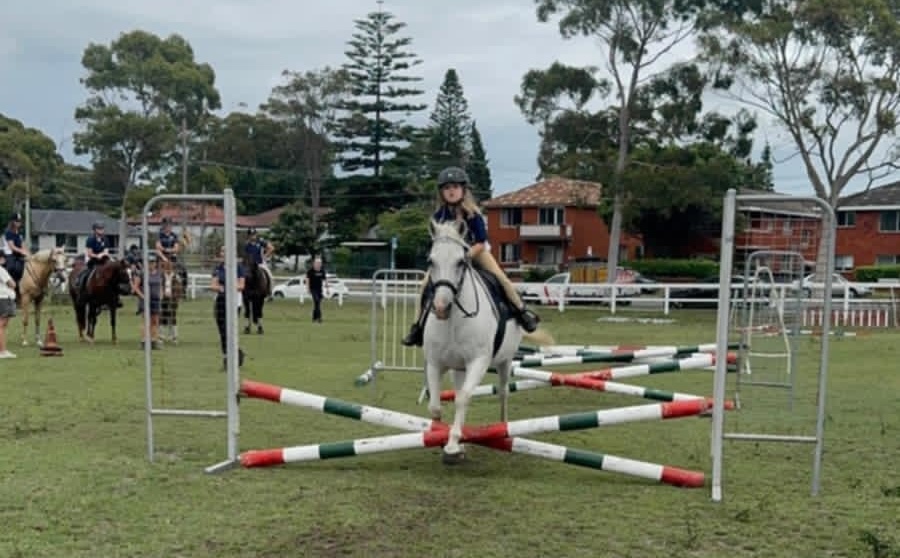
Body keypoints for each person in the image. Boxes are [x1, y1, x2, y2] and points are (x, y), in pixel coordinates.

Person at [402, 166, 540, 347]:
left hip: (476, 253)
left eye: (455, 187)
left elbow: (481, 242)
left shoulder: (473, 214)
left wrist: (466, 256)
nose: (451, 191)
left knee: (501, 278)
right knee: (424, 286)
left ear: (463, 190)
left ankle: (522, 313)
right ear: (442, 192)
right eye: (447, 188)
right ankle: (418, 326)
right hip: (450, 261)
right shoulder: (439, 216)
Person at [210, 246, 246, 369]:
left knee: (229, 330)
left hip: (234, 302)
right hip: (220, 301)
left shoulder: (239, 268)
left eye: (225, 251)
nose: (223, 254)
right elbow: (213, 285)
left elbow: (241, 285)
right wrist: (223, 287)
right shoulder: (218, 269)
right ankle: (228, 355)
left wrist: (226, 287)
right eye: (222, 252)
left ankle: (233, 355)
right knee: (222, 331)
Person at [132, 252, 161, 348]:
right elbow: (135, 287)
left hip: (156, 300)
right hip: (145, 301)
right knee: (146, 321)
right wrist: (143, 296)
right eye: (149, 262)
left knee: (155, 321)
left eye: (153, 262)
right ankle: (144, 341)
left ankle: (154, 341)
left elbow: (161, 286)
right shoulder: (142, 273)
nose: (151, 264)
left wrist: (161, 294)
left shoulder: (158, 273)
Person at [3, 212, 29, 298]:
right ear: (12, 222)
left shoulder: (19, 232)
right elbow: (12, 247)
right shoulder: (8, 232)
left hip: (18, 253)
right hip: (9, 253)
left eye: (20, 221)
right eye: (17, 221)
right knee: (11, 267)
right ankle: (9, 283)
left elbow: (22, 244)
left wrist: (27, 252)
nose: (19, 223)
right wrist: (22, 251)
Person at [156, 217, 188, 285]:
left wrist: (166, 249)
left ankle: (183, 289)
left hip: (172, 257)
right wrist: (164, 255)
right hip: (162, 257)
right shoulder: (159, 235)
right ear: (163, 225)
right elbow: (158, 247)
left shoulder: (174, 235)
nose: (168, 226)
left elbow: (176, 248)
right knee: (156, 270)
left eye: (170, 224)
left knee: (183, 269)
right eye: (166, 224)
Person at [244, 228, 274, 294]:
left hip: (260, 264)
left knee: (270, 276)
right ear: (248, 236)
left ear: (256, 234)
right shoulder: (247, 245)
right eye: (251, 235)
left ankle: (270, 292)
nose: (252, 236)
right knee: (243, 276)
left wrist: (265, 256)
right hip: (250, 265)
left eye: (253, 234)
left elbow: (271, 248)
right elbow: (246, 255)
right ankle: (243, 292)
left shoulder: (261, 242)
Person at [0, 252, 17, 358]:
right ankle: (2, 351)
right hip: (4, 298)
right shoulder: (1, 270)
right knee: (2, 325)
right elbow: (12, 284)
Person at [304, 256, 330, 323]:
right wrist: (308, 289)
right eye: (317, 263)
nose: (319, 264)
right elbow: (307, 280)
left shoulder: (322, 271)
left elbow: (325, 280)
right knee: (317, 301)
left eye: (320, 263)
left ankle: (314, 318)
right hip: (313, 289)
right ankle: (319, 318)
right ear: (314, 263)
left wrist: (327, 289)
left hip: (319, 290)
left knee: (317, 304)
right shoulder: (310, 271)